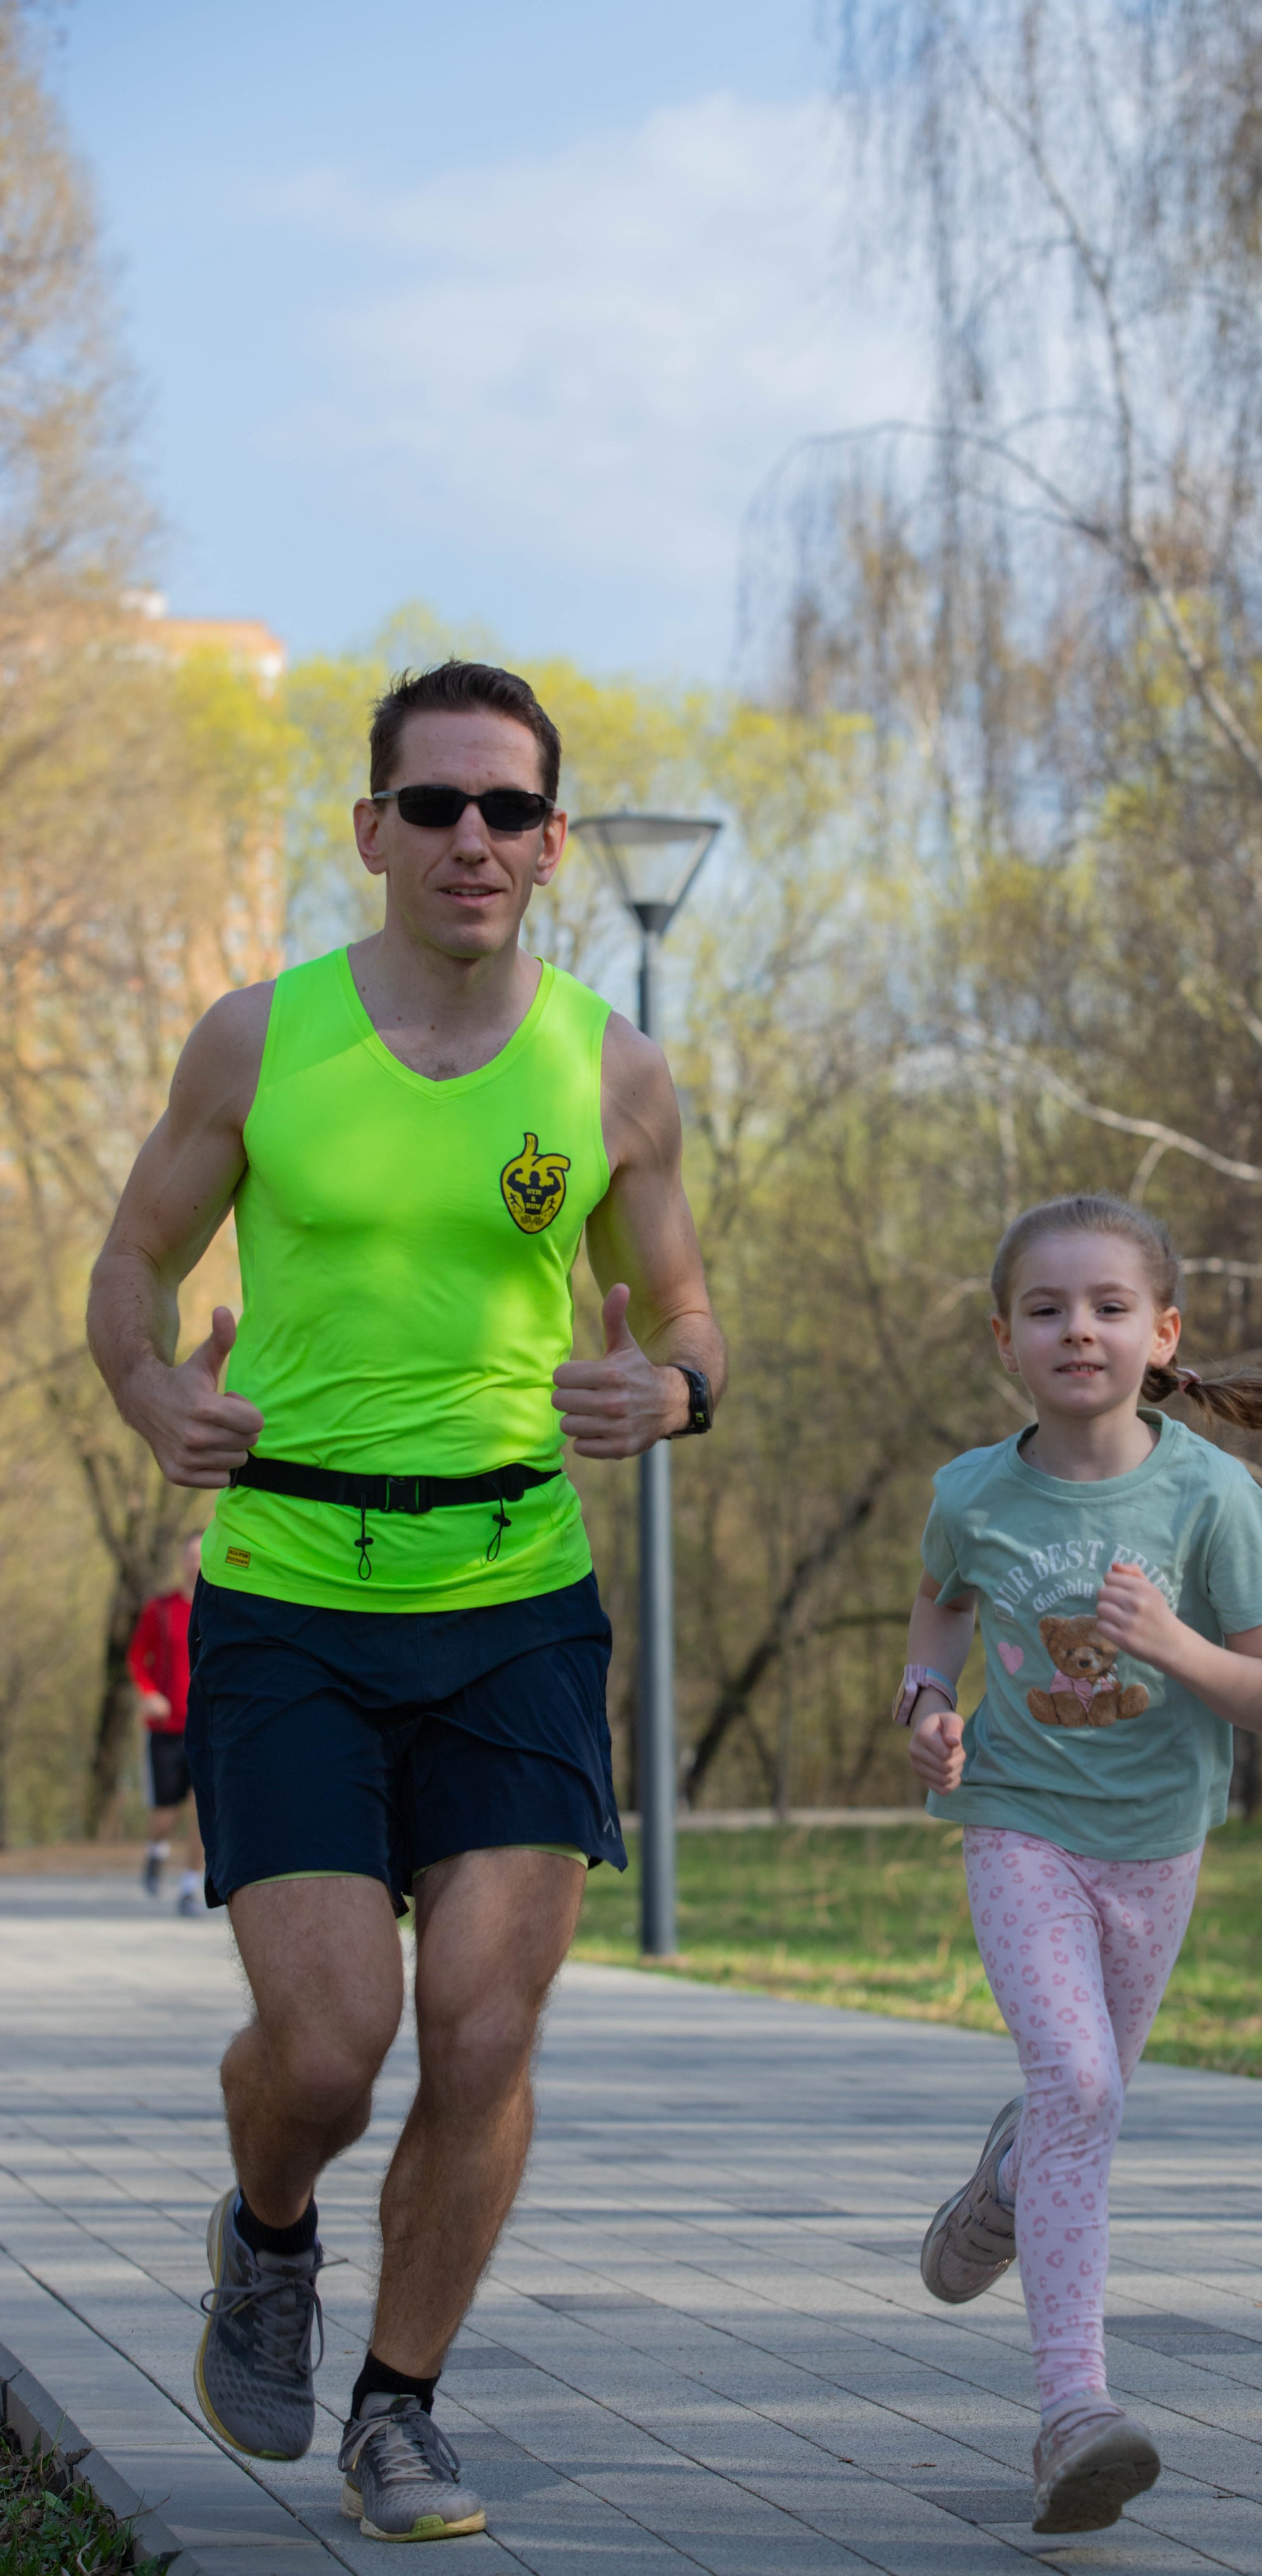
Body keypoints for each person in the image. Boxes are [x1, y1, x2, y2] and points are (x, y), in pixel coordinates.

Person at [87, 660, 724, 2544]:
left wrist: (670, 1391)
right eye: (433, 804)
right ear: (370, 828)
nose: (472, 838)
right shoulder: (256, 1041)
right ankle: (269, 2230)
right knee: (327, 2048)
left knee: (486, 2029)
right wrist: (152, 1394)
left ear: (551, 842)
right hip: (288, 1595)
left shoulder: (612, 1071)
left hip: (517, 1595)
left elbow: (687, 1310)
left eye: (508, 808)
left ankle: (400, 2404)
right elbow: (131, 1264)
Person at [894, 1193, 1262, 2537]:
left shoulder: (1210, 1494)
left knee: (1080, 2105)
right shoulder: (972, 1491)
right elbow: (938, 1615)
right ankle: (1073, 2409)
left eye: (1109, 1307)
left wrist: (1174, 1644)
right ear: (1003, 1339)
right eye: (1047, 1309)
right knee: (1077, 2085)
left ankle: (1006, 2185)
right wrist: (924, 1706)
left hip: (1158, 1845)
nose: (1078, 1329)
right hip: (1019, 1822)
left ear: (1161, 1334)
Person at [127, 1531, 206, 1913]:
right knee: (166, 1813)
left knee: (204, 1809)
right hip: (166, 1730)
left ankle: (190, 1887)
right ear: (182, 1561)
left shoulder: (221, 1610)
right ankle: (156, 1850)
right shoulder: (160, 1609)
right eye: (191, 1555)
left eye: (203, 1555)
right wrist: (148, 1694)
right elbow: (136, 1657)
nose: (197, 1562)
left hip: (207, 1727)